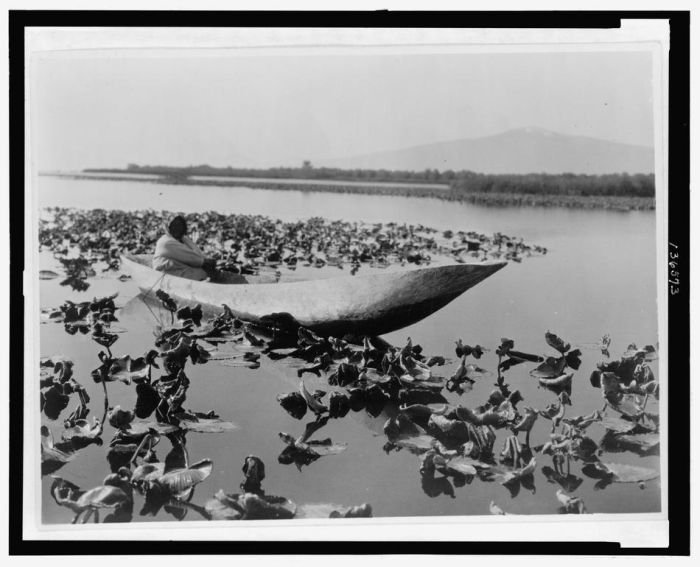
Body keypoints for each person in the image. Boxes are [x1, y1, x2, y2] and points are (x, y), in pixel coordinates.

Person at [152, 215, 218, 281]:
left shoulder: (184, 239)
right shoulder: (166, 242)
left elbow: (199, 254)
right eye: (174, 226)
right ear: (168, 227)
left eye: (180, 226)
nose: (177, 228)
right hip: (170, 278)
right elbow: (194, 259)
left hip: (187, 275)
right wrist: (206, 262)